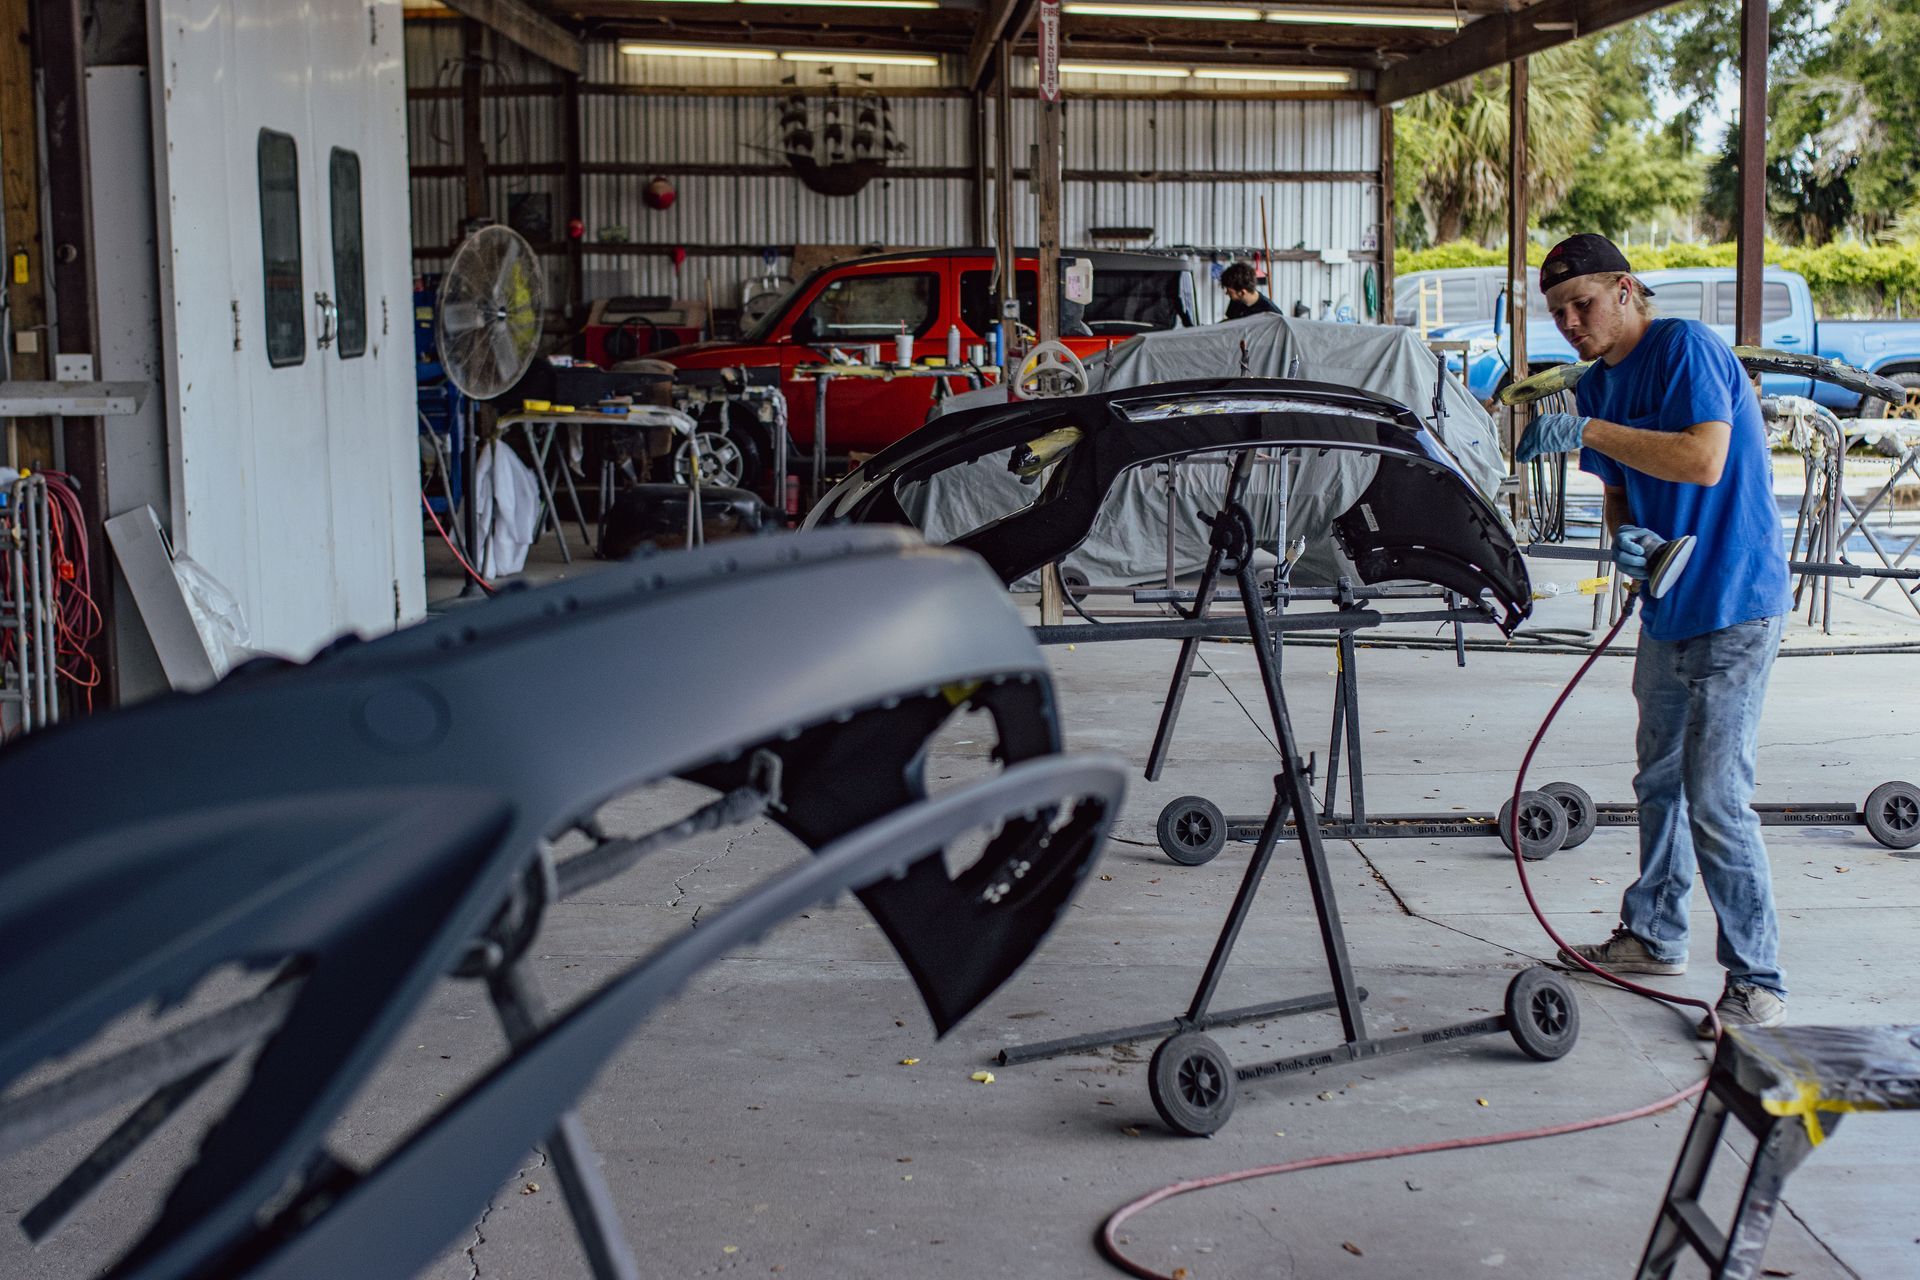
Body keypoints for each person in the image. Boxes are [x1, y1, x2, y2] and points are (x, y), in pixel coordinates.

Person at [1516, 233, 1792, 1037]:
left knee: (1715, 794)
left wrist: (1589, 432)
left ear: (1627, 288)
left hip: (1737, 600)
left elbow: (1705, 460)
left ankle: (1759, 978)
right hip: (1669, 600)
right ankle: (1655, 934)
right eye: (1558, 312)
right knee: (1659, 782)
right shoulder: (1601, 382)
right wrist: (1628, 539)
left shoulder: (1686, 348)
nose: (1570, 322)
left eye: (1583, 304)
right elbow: (1618, 492)